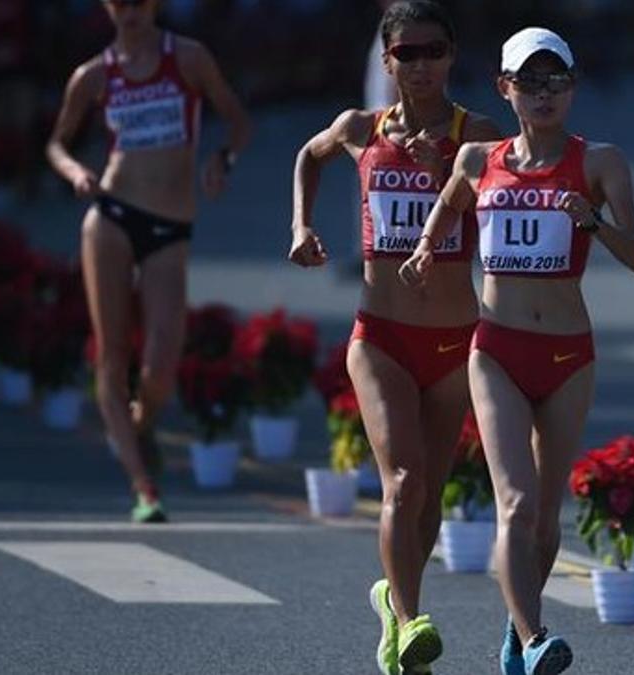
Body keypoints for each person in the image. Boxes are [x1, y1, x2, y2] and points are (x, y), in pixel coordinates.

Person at [400, 27, 634, 675]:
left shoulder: (600, 161)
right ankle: (536, 634)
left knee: (542, 516)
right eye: (529, 81)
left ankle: (517, 632)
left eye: (555, 80)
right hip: (497, 350)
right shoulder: (479, 160)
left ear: (573, 87)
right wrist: (427, 247)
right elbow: (450, 204)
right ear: (504, 88)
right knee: (512, 500)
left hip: (568, 355)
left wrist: (591, 220)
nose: (543, 94)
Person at [288, 2, 499, 673]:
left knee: (428, 494)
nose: (420, 65)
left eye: (433, 51)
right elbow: (307, 155)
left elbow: (511, 203)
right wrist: (301, 225)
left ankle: (393, 600)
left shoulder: (478, 136)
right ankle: (411, 623)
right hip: (380, 336)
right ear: (386, 61)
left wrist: (449, 174)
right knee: (402, 482)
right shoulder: (360, 128)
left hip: (453, 342)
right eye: (406, 53)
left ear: (452, 56)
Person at [46, 0, 251, 523]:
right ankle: (144, 485)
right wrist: (74, 173)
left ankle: (140, 424)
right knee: (112, 355)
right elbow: (56, 143)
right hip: (111, 215)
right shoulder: (94, 75)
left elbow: (236, 121)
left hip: (169, 226)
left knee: (160, 362)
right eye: (119, 2)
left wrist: (221, 160)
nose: (129, 11)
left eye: (139, 1)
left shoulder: (187, 58)